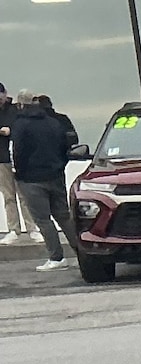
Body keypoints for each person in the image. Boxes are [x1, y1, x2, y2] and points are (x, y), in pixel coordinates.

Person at [9, 92, 76, 271]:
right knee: (63, 216)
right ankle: (84, 253)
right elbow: (65, 147)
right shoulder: (53, 122)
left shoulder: (20, 124)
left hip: (31, 179)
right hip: (56, 175)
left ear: (21, 105)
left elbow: (17, 152)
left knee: (43, 219)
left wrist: (19, 173)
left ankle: (56, 257)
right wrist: (59, 167)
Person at [0, 85, 30, 243]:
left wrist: (10, 130)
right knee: (8, 196)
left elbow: (23, 128)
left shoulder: (15, 110)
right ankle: (13, 229)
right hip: (2, 159)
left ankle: (32, 228)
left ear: (5, 94)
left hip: (18, 159)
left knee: (24, 195)